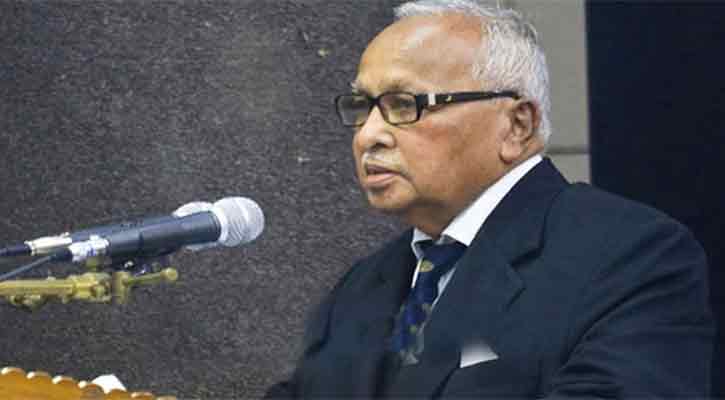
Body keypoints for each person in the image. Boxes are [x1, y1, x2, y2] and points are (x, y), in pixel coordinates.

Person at [266, 0, 714, 397]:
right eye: (363, 107)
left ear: (517, 125)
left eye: (404, 104)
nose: (369, 135)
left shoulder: (630, 257)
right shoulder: (364, 285)